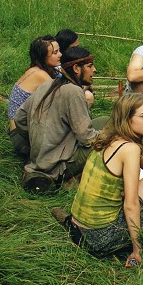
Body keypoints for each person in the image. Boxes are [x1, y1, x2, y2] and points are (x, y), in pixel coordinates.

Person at [54, 93, 143, 267]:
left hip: (78, 230)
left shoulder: (109, 136)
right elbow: (131, 204)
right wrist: (137, 250)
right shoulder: (130, 149)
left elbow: (142, 160)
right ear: (127, 119)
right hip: (100, 240)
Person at [14, 47, 108, 192]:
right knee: (110, 136)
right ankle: (72, 181)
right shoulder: (74, 92)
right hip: (58, 165)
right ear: (76, 68)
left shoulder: (47, 84)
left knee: (104, 120)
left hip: (38, 158)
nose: (94, 70)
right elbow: (86, 138)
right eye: (90, 66)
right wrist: (107, 137)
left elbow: (19, 118)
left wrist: (37, 142)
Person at [8, 35, 61, 157]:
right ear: (43, 57)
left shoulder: (35, 69)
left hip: (18, 131)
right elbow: (62, 97)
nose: (60, 55)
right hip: (21, 138)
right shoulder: (41, 75)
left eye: (59, 51)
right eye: (55, 53)